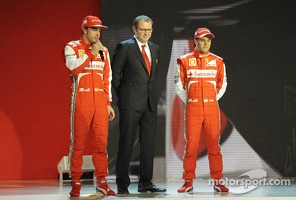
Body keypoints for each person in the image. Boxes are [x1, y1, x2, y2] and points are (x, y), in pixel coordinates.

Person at [111, 15, 166, 194]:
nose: (146, 33)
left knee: (148, 145)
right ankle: (122, 183)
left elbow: (152, 77)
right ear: (134, 29)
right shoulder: (125, 47)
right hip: (130, 104)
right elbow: (115, 75)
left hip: (149, 103)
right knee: (126, 144)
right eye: (143, 29)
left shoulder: (155, 48)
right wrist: (125, 96)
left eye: (149, 30)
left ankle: (145, 183)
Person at [62, 15, 115, 197]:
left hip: (100, 103)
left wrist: (108, 103)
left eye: (99, 30)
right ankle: (76, 182)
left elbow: (107, 79)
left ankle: (102, 181)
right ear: (84, 29)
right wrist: (91, 53)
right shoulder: (72, 47)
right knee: (78, 145)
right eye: (94, 29)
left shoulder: (104, 51)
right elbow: (73, 68)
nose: (98, 33)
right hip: (81, 102)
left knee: (101, 144)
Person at [175, 27, 229, 193]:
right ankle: (188, 182)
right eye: (202, 40)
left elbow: (223, 85)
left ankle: (218, 181)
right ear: (195, 41)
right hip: (193, 107)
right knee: (191, 146)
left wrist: (210, 99)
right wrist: (192, 100)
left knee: (214, 146)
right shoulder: (184, 60)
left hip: (212, 108)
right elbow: (179, 86)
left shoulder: (218, 61)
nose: (205, 43)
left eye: (208, 40)